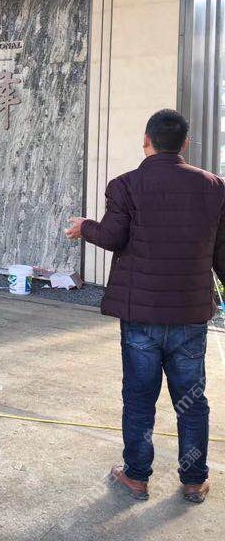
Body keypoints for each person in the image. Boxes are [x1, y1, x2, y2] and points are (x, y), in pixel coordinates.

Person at [66, 109, 225, 504]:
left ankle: (136, 476)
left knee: (139, 398)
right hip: (190, 315)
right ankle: (194, 480)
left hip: (141, 316)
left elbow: (112, 236)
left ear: (146, 141)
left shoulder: (126, 185)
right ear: (185, 143)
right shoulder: (215, 187)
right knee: (191, 401)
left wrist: (84, 227)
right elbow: (221, 253)